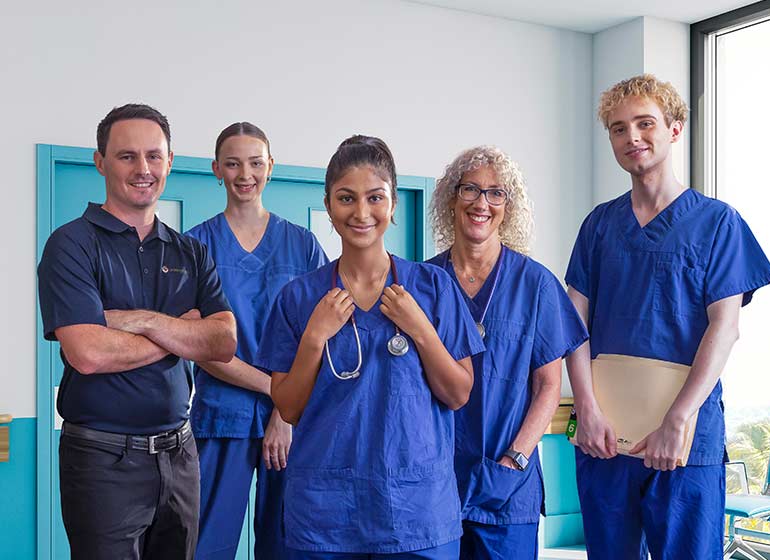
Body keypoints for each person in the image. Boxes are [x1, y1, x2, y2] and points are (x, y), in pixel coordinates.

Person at [565, 74, 770, 559]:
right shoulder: (599, 225)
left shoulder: (717, 222)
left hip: (684, 435)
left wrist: (678, 418)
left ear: (675, 129)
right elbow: (572, 323)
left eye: (645, 124)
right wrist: (588, 408)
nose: (632, 138)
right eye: (618, 129)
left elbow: (726, 328)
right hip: (606, 435)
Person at [256, 135, 485, 559]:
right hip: (327, 514)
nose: (361, 213)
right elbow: (288, 407)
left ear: (393, 203)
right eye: (346, 198)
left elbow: (458, 393)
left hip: (415, 513)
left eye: (374, 198)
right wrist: (314, 337)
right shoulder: (299, 298)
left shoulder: (433, 290)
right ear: (328, 205)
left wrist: (421, 330)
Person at [37, 103, 237, 559]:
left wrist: (141, 320)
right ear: (100, 161)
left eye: (154, 155)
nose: (143, 168)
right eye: (127, 156)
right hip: (103, 459)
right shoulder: (71, 244)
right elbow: (88, 353)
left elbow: (222, 342)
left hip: (181, 455)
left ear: (169, 161)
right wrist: (181, 332)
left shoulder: (191, 251)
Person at [427, 146, 588, 559]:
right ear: (451, 198)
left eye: (496, 193)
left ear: (508, 206)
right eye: (470, 190)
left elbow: (549, 387)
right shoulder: (425, 283)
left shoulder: (535, 285)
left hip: (508, 485)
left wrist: (515, 459)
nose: (482, 203)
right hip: (435, 481)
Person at [186, 122, 327, 559]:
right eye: (232, 163)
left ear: (271, 167)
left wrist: (284, 414)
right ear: (216, 169)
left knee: (288, 544)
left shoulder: (301, 246)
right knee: (207, 544)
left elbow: (320, 338)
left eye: (254, 163)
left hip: (293, 423)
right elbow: (199, 344)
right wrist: (276, 390)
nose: (244, 174)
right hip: (219, 418)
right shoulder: (196, 245)